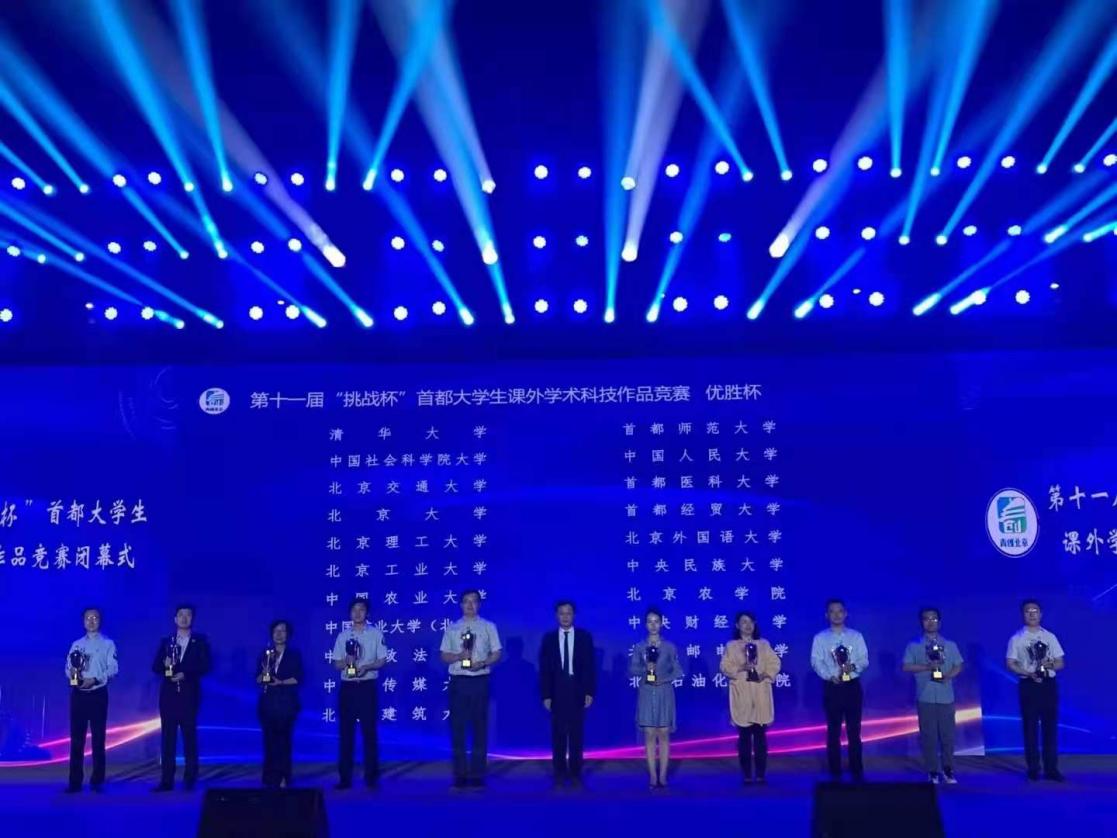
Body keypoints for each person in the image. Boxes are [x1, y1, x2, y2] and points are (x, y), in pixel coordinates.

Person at [440, 589, 502, 789]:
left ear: (479, 604)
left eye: (473, 601)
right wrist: (459, 656)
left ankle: (477, 775)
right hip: (458, 682)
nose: (469, 605)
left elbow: (497, 652)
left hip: (479, 681)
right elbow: (444, 655)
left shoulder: (488, 626)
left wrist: (483, 663)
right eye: (466, 601)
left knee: (479, 728)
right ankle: (459, 775)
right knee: (458, 729)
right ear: (460, 605)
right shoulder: (452, 628)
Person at [151, 604, 211, 792]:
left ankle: (190, 779)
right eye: (181, 615)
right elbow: (155, 667)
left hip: (189, 696)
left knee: (189, 738)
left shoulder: (200, 642)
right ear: (175, 619)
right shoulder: (166, 642)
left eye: (188, 615)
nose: (184, 618)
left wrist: (186, 674)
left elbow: (206, 666)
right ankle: (166, 781)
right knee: (168, 739)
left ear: (192, 619)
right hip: (168, 697)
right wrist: (165, 665)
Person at [538, 599, 596, 788]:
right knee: (558, 734)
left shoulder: (584, 637)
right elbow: (544, 669)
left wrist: (589, 691)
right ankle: (559, 772)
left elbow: (590, 667)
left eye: (568, 613)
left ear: (574, 615)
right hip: (557, 690)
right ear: (556, 615)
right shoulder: (548, 639)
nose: (565, 616)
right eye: (561, 613)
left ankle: (576, 773)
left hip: (577, 689)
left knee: (576, 734)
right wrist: (546, 695)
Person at [902, 607, 964, 784]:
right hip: (925, 696)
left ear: (940, 622)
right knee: (928, 736)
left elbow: (959, 665)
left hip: (946, 696)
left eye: (934, 618)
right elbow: (906, 666)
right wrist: (927, 667)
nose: (930, 622)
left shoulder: (950, 645)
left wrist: (948, 676)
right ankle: (932, 771)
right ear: (921, 622)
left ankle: (948, 769)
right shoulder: (914, 645)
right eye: (926, 619)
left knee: (948, 736)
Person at [1006, 599, 1066, 781]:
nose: (1032, 614)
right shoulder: (1017, 638)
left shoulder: (1050, 637)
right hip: (1029, 685)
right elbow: (1010, 663)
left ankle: (1051, 768)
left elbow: (1060, 662)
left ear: (1041, 614)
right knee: (1030, 727)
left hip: (1048, 685)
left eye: (1035, 610)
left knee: (1050, 727)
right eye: (1028, 611)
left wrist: (1049, 665)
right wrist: (1027, 672)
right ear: (1023, 615)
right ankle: (1033, 768)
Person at [810, 599, 869, 781]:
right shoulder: (820, 638)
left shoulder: (856, 636)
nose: (836, 615)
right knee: (833, 731)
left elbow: (864, 660)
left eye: (840, 611)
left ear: (845, 613)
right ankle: (835, 770)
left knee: (854, 731)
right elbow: (816, 661)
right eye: (832, 611)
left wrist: (851, 668)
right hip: (832, 687)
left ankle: (857, 770)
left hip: (852, 686)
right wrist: (830, 675)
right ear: (826, 615)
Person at [332, 598, 388, 789]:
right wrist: (347, 662)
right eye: (354, 610)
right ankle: (345, 779)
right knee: (346, 733)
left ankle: (371, 778)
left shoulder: (375, 634)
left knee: (369, 733)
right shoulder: (342, 636)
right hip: (348, 688)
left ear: (367, 613)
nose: (357, 613)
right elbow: (336, 663)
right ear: (350, 613)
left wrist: (367, 667)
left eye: (361, 609)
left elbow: (382, 660)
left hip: (367, 687)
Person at [719, 611, 780, 784]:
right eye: (743, 622)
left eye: (750, 622)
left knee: (760, 738)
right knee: (744, 738)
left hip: (760, 695)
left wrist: (765, 674)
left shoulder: (763, 644)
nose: (747, 625)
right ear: (737, 625)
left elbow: (775, 663)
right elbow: (724, 666)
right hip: (742, 696)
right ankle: (746, 774)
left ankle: (760, 774)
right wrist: (741, 667)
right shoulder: (731, 646)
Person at [64, 607, 119, 793]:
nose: (91, 621)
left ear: (100, 621)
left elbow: (113, 669)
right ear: (83, 621)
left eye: (95, 618)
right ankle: (75, 782)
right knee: (76, 740)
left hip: (97, 694)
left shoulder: (108, 644)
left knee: (98, 739)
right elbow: (68, 667)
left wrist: (95, 679)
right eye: (88, 618)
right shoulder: (76, 644)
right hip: (78, 695)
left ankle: (97, 781)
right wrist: (74, 676)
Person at [628, 607, 682, 790]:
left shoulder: (669, 647)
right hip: (646, 692)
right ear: (645, 624)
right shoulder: (639, 647)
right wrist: (646, 669)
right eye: (650, 621)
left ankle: (663, 775)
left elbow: (678, 671)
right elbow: (632, 669)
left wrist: (664, 679)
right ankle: (652, 775)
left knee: (664, 734)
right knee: (650, 734)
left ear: (661, 623)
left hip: (664, 692)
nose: (653, 625)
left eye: (656, 621)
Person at [257, 619, 303, 789]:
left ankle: (284, 776)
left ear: (288, 634)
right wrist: (263, 678)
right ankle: (269, 777)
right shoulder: (266, 654)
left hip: (287, 705)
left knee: (284, 742)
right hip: (267, 705)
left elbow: (299, 678)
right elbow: (257, 677)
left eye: (282, 631)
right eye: (276, 631)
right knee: (269, 742)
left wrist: (281, 682)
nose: (278, 634)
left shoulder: (294, 655)